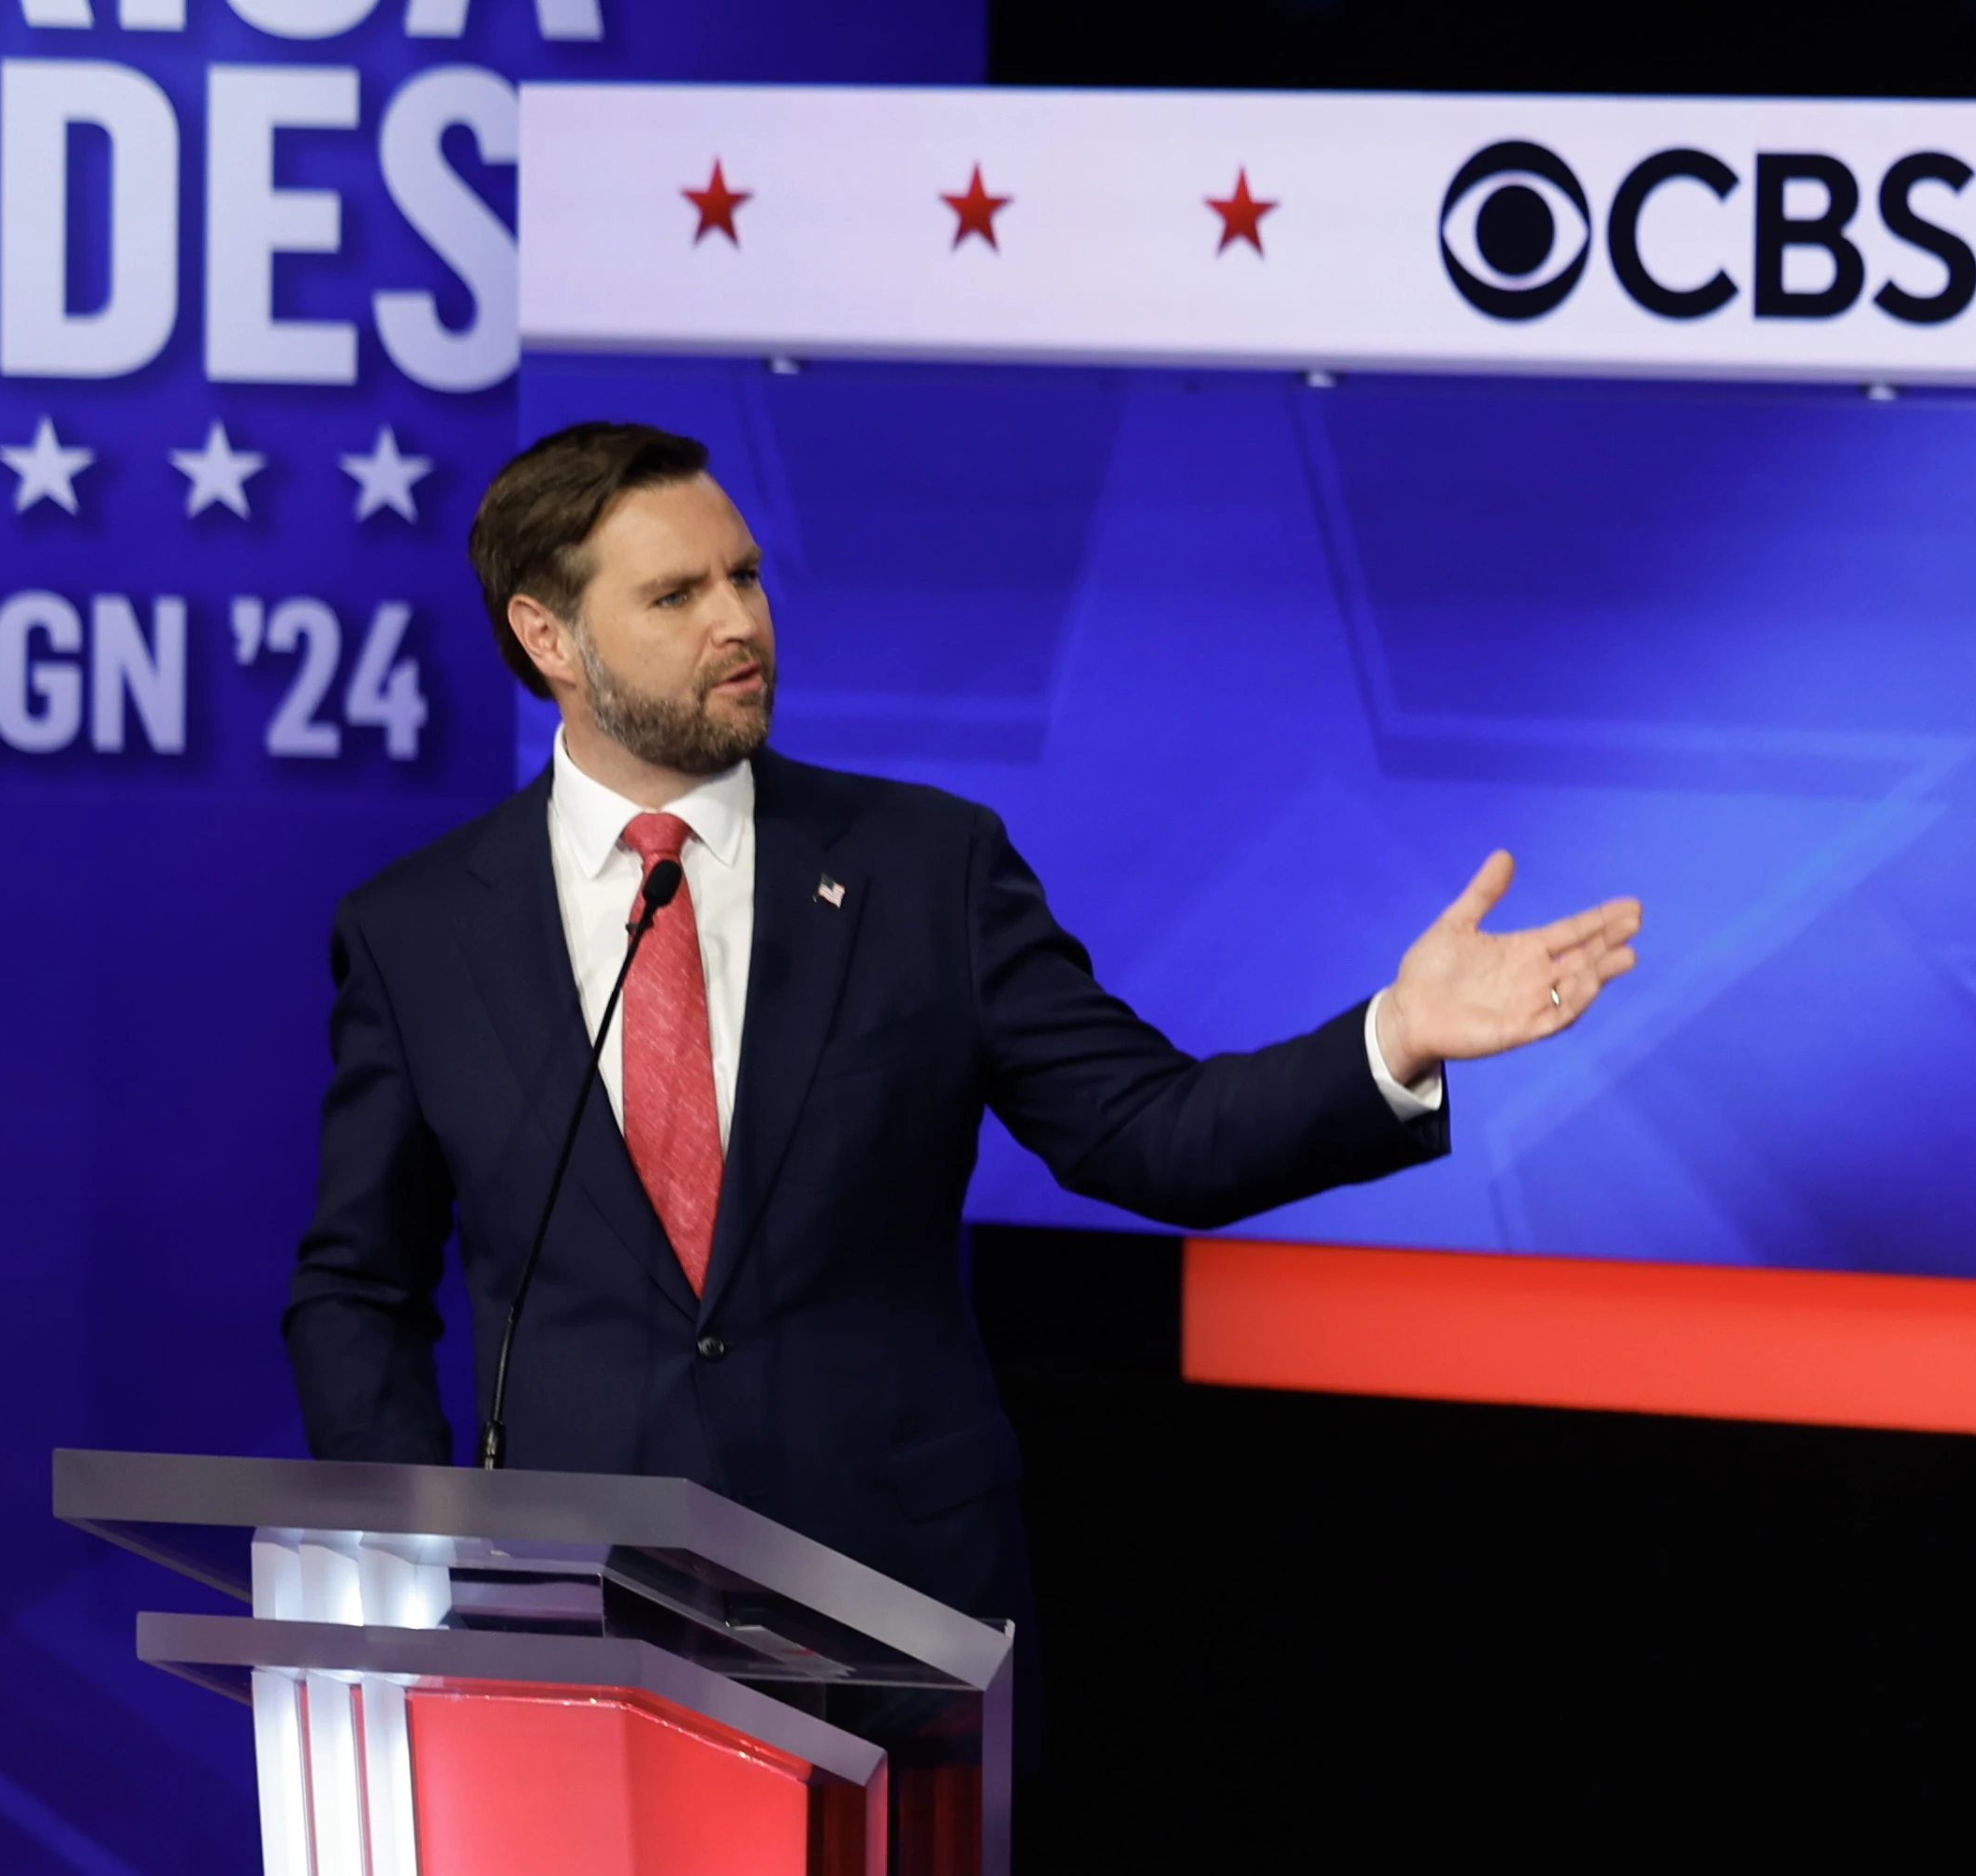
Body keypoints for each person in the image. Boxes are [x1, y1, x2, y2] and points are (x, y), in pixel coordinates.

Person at [283, 420, 1643, 1620]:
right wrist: (419, 1555)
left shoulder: (927, 868)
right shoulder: (417, 932)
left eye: (746, 575)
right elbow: (357, 1288)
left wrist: (1391, 1039)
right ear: (548, 639)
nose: (740, 622)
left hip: (892, 1600)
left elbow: (1150, 1134)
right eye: (677, 594)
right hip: (577, 1609)